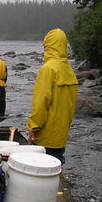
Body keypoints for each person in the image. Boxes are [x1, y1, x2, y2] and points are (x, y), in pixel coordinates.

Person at [27, 29, 78, 164]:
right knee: (57, 166)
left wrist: (33, 127)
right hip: (61, 135)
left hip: (46, 135)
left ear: (48, 45)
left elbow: (41, 102)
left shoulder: (48, 69)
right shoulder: (68, 69)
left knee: (43, 171)